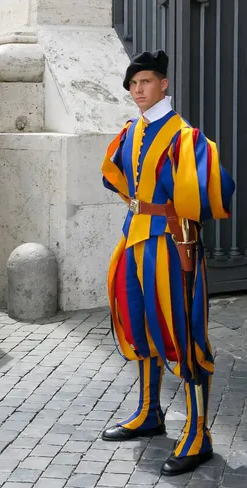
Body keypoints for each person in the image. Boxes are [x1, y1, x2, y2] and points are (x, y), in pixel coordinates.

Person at [100, 50, 235, 476]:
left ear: (164, 85)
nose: (138, 90)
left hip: (173, 243)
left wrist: (173, 207)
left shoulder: (186, 137)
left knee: (184, 332)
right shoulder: (130, 131)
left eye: (146, 82)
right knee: (140, 323)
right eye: (133, 84)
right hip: (134, 237)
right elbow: (113, 176)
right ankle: (149, 412)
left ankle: (199, 434)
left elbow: (218, 191)